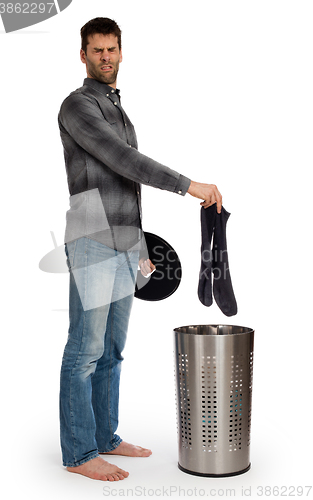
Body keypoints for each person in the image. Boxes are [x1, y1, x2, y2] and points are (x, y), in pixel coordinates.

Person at [58, 17, 222, 482]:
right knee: (84, 352)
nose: (105, 56)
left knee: (112, 350)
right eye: (97, 50)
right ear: (83, 55)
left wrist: (139, 243)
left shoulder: (118, 106)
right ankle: (79, 453)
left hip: (125, 243)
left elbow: (126, 186)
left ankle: (106, 436)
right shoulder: (77, 105)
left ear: (121, 53)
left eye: (112, 49)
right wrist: (188, 185)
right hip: (90, 239)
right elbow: (123, 160)